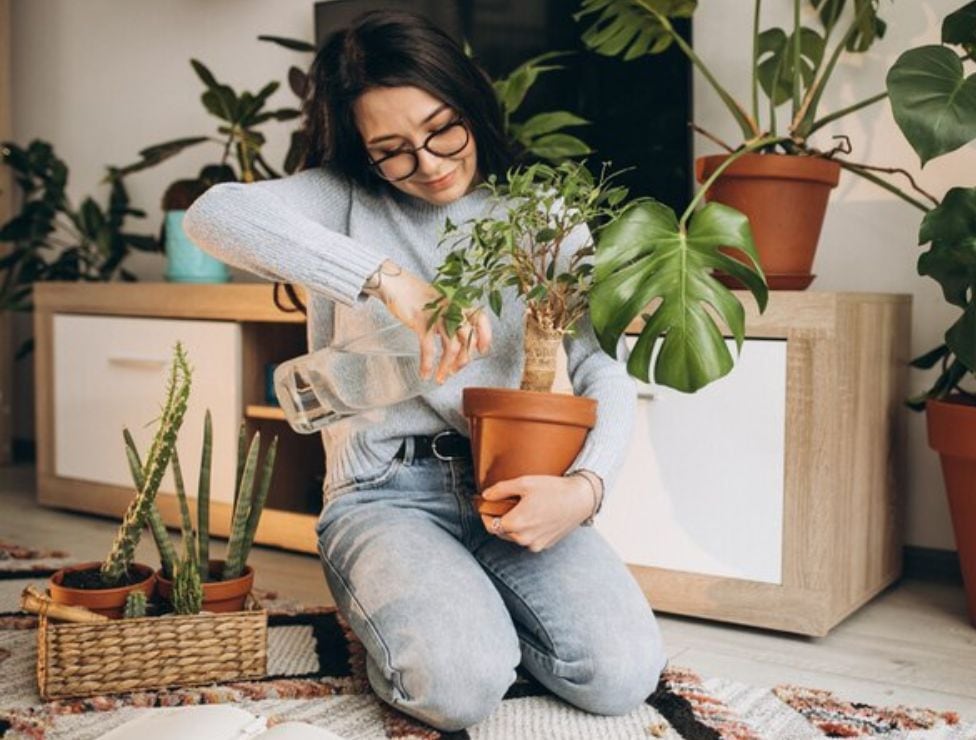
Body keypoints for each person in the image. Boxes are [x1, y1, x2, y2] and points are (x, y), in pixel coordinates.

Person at [182, 9, 666, 732]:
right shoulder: (342, 198)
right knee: (458, 687)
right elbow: (213, 214)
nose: (430, 163)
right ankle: (437, 615)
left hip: (516, 484)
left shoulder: (542, 213)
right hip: (385, 492)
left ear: (469, 101)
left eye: (443, 130)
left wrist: (584, 488)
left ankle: (467, 606)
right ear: (363, 149)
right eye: (394, 151)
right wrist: (387, 281)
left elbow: (598, 364)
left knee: (622, 674)